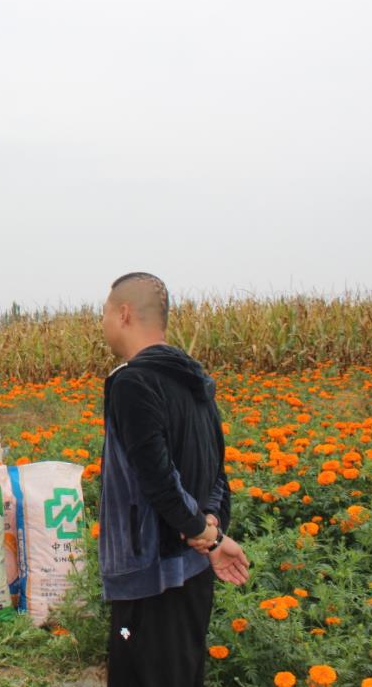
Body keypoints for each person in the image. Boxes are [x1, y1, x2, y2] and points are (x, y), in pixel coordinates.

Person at [98, 272, 250, 687]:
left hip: (151, 576)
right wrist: (211, 527)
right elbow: (217, 469)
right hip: (193, 570)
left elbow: (158, 478)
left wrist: (207, 535)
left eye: (105, 312)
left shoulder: (132, 381)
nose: (103, 323)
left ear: (125, 313)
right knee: (181, 673)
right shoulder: (192, 377)